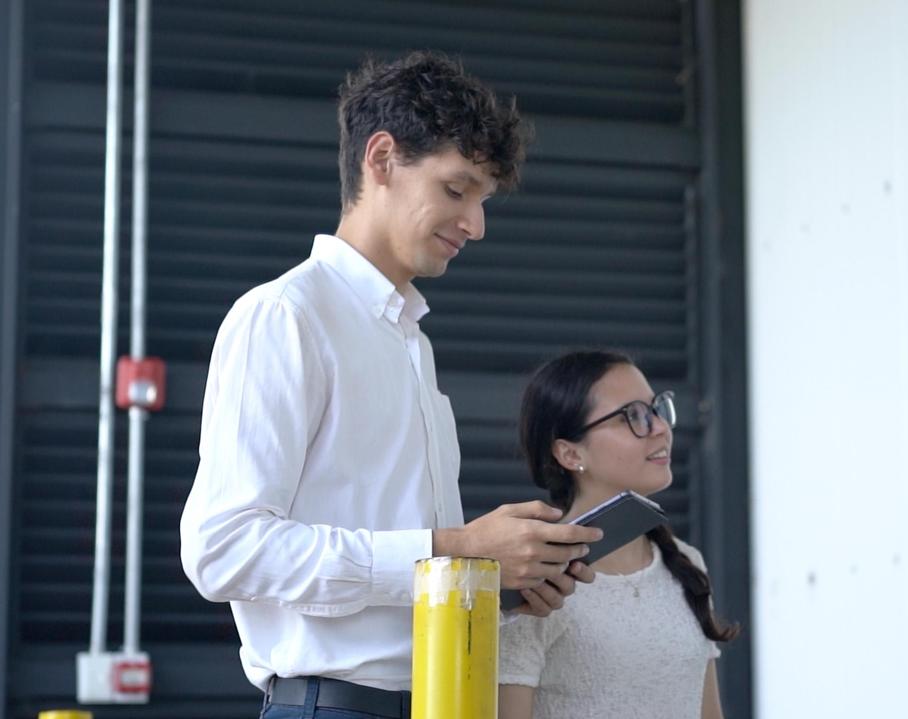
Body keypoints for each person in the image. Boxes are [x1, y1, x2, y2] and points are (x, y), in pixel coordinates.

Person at [179, 51, 602, 719]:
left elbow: (402, 583)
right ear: (381, 160)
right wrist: (454, 548)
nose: (476, 225)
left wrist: (497, 581)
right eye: (456, 190)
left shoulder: (411, 343)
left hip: (436, 700)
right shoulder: (287, 316)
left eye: (483, 201)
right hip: (331, 706)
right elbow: (222, 550)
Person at [498, 350, 740, 719]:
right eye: (634, 416)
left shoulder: (686, 562)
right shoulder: (538, 581)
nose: (661, 428)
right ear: (569, 453)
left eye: (657, 409)